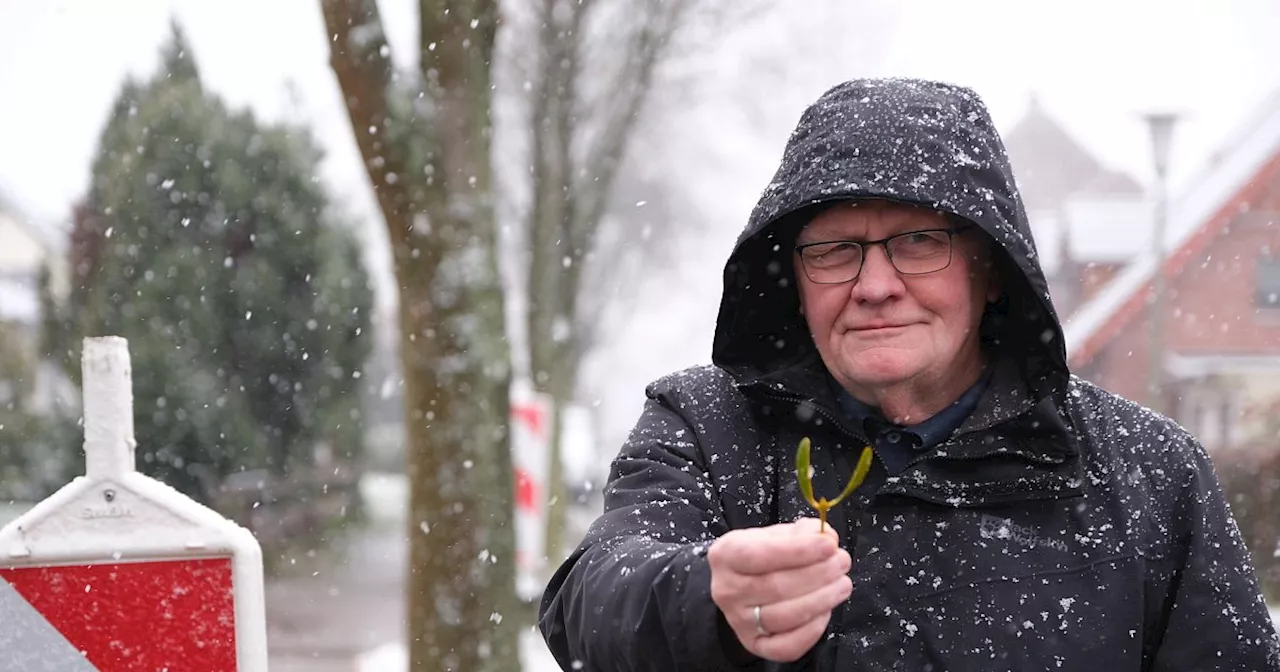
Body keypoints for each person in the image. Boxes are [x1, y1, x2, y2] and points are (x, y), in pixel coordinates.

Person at [537, 77, 1280, 671]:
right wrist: (706, 599)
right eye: (834, 250)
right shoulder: (706, 427)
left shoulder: (1149, 474)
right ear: (792, 279)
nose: (875, 284)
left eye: (919, 242)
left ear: (991, 269)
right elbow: (590, 605)